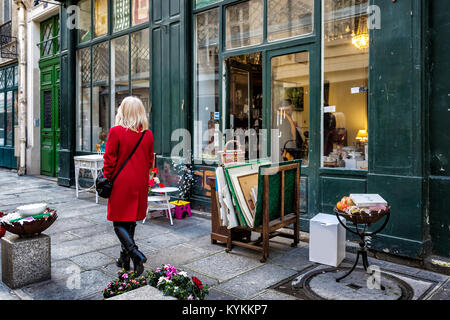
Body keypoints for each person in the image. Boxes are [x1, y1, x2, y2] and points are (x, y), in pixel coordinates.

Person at [102, 96, 154, 276]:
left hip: (121, 182)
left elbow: (109, 160)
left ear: (122, 111)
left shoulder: (116, 132)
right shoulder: (147, 134)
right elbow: (149, 160)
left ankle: (135, 253)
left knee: (118, 222)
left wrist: (107, 178)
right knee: (130, 220)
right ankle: (124, 259)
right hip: (139, 181)